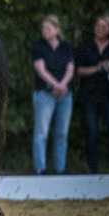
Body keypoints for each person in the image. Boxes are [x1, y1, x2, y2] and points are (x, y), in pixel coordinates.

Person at [75, 13, 109, 174]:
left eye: (103, 27)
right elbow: (78, 69)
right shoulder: (86, 44)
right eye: (97, 25)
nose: (99, 29)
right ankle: (93, 170)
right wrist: (97, 67)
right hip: (89, 95)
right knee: (92, 132)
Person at [30, 14, 74, 175]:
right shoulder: (38, 46)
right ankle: (40, 169)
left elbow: (70, 68)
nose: (45, 31)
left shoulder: (66, 47)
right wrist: (57, 85)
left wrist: (62, 86)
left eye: (48, 28)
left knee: (61, 133)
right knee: (41, 133)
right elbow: (40, 69)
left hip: (65, 95)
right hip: (45, 94)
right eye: (43, 28)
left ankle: (59, 169)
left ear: (57, 29)